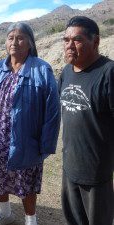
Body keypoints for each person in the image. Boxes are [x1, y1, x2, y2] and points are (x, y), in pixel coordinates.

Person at [0, 22, 60, 225]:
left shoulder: (42, 69)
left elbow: (53, 111)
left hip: (25, 140)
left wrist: (45, 144)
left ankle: (31, 221)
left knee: (26, 183)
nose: (14, 42)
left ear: (30, 43)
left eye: (20, 37)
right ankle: (5, 214)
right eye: (11, 37)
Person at [58, 16, 114, 225]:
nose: (70, 45)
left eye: (77, 40)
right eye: (66, 40)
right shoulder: (66, 72)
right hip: (70, 168)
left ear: (96, 41)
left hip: (98, 175)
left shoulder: (108, 73)